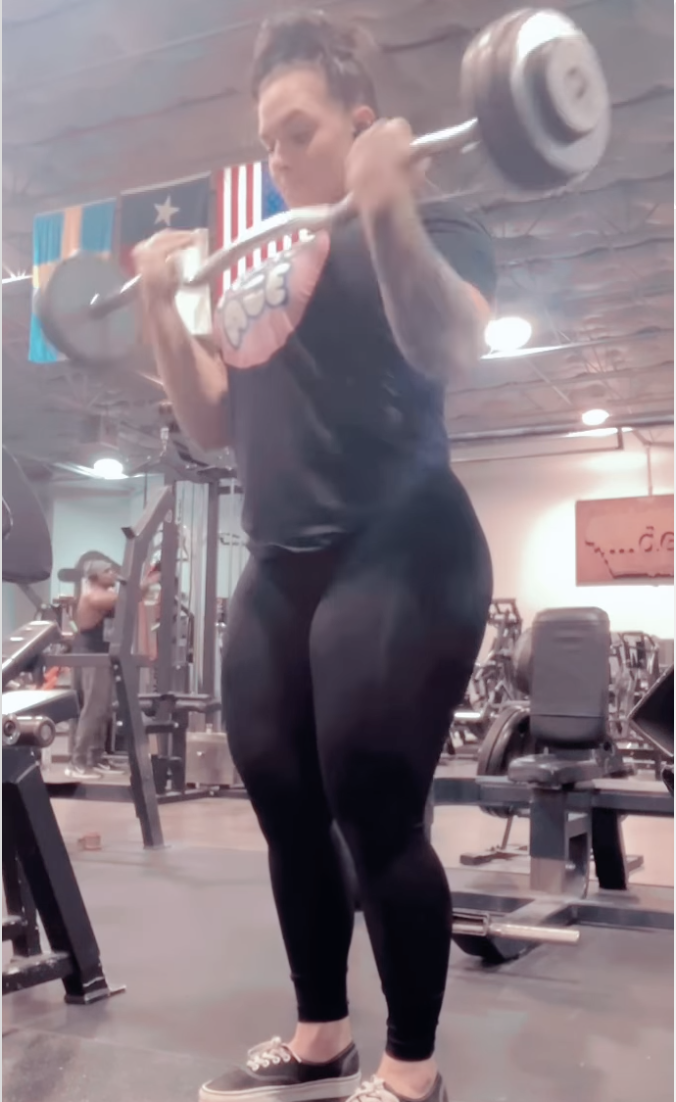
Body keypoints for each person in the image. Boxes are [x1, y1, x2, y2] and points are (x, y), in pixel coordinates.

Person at [133, 11, 496, 1102]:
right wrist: (163, 311)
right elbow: (210, 423)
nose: (279, 157)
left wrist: (387, 210)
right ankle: (320, 1033)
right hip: (281, 561)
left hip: (404, 545)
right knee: (286, 802)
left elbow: (450, 345)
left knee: (373, 799)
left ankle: (412, 1069)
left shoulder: (432, 220)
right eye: (268, 141)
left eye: (299, 133)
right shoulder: (257, 267)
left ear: (360, 123)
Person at [67, 558, 160, 779]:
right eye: (107, 571)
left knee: (103, 709)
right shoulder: (93, 595)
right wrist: (148, 581)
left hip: (102, 654)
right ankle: (77, 762)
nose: (112, 574)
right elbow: (127, 597)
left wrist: (146, 584)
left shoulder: (104, 593)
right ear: (96, 576)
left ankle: (95, 757)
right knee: (93, 708)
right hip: (91, 655)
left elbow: (133, 598)